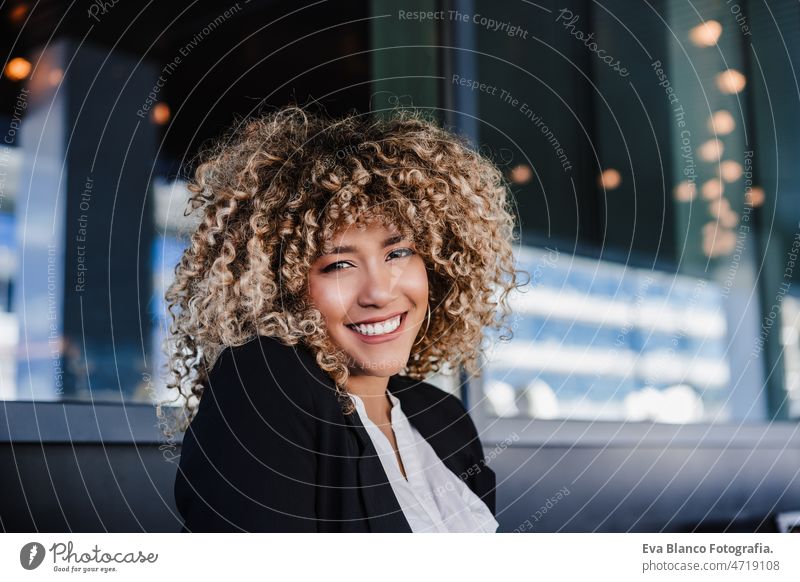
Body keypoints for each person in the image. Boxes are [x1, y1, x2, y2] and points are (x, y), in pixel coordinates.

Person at [164, 105, 526, 532]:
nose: (378, 292)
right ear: (281, 286)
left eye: (398, 253)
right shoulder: (264, 384)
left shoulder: (445, 418)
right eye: (338, 265)